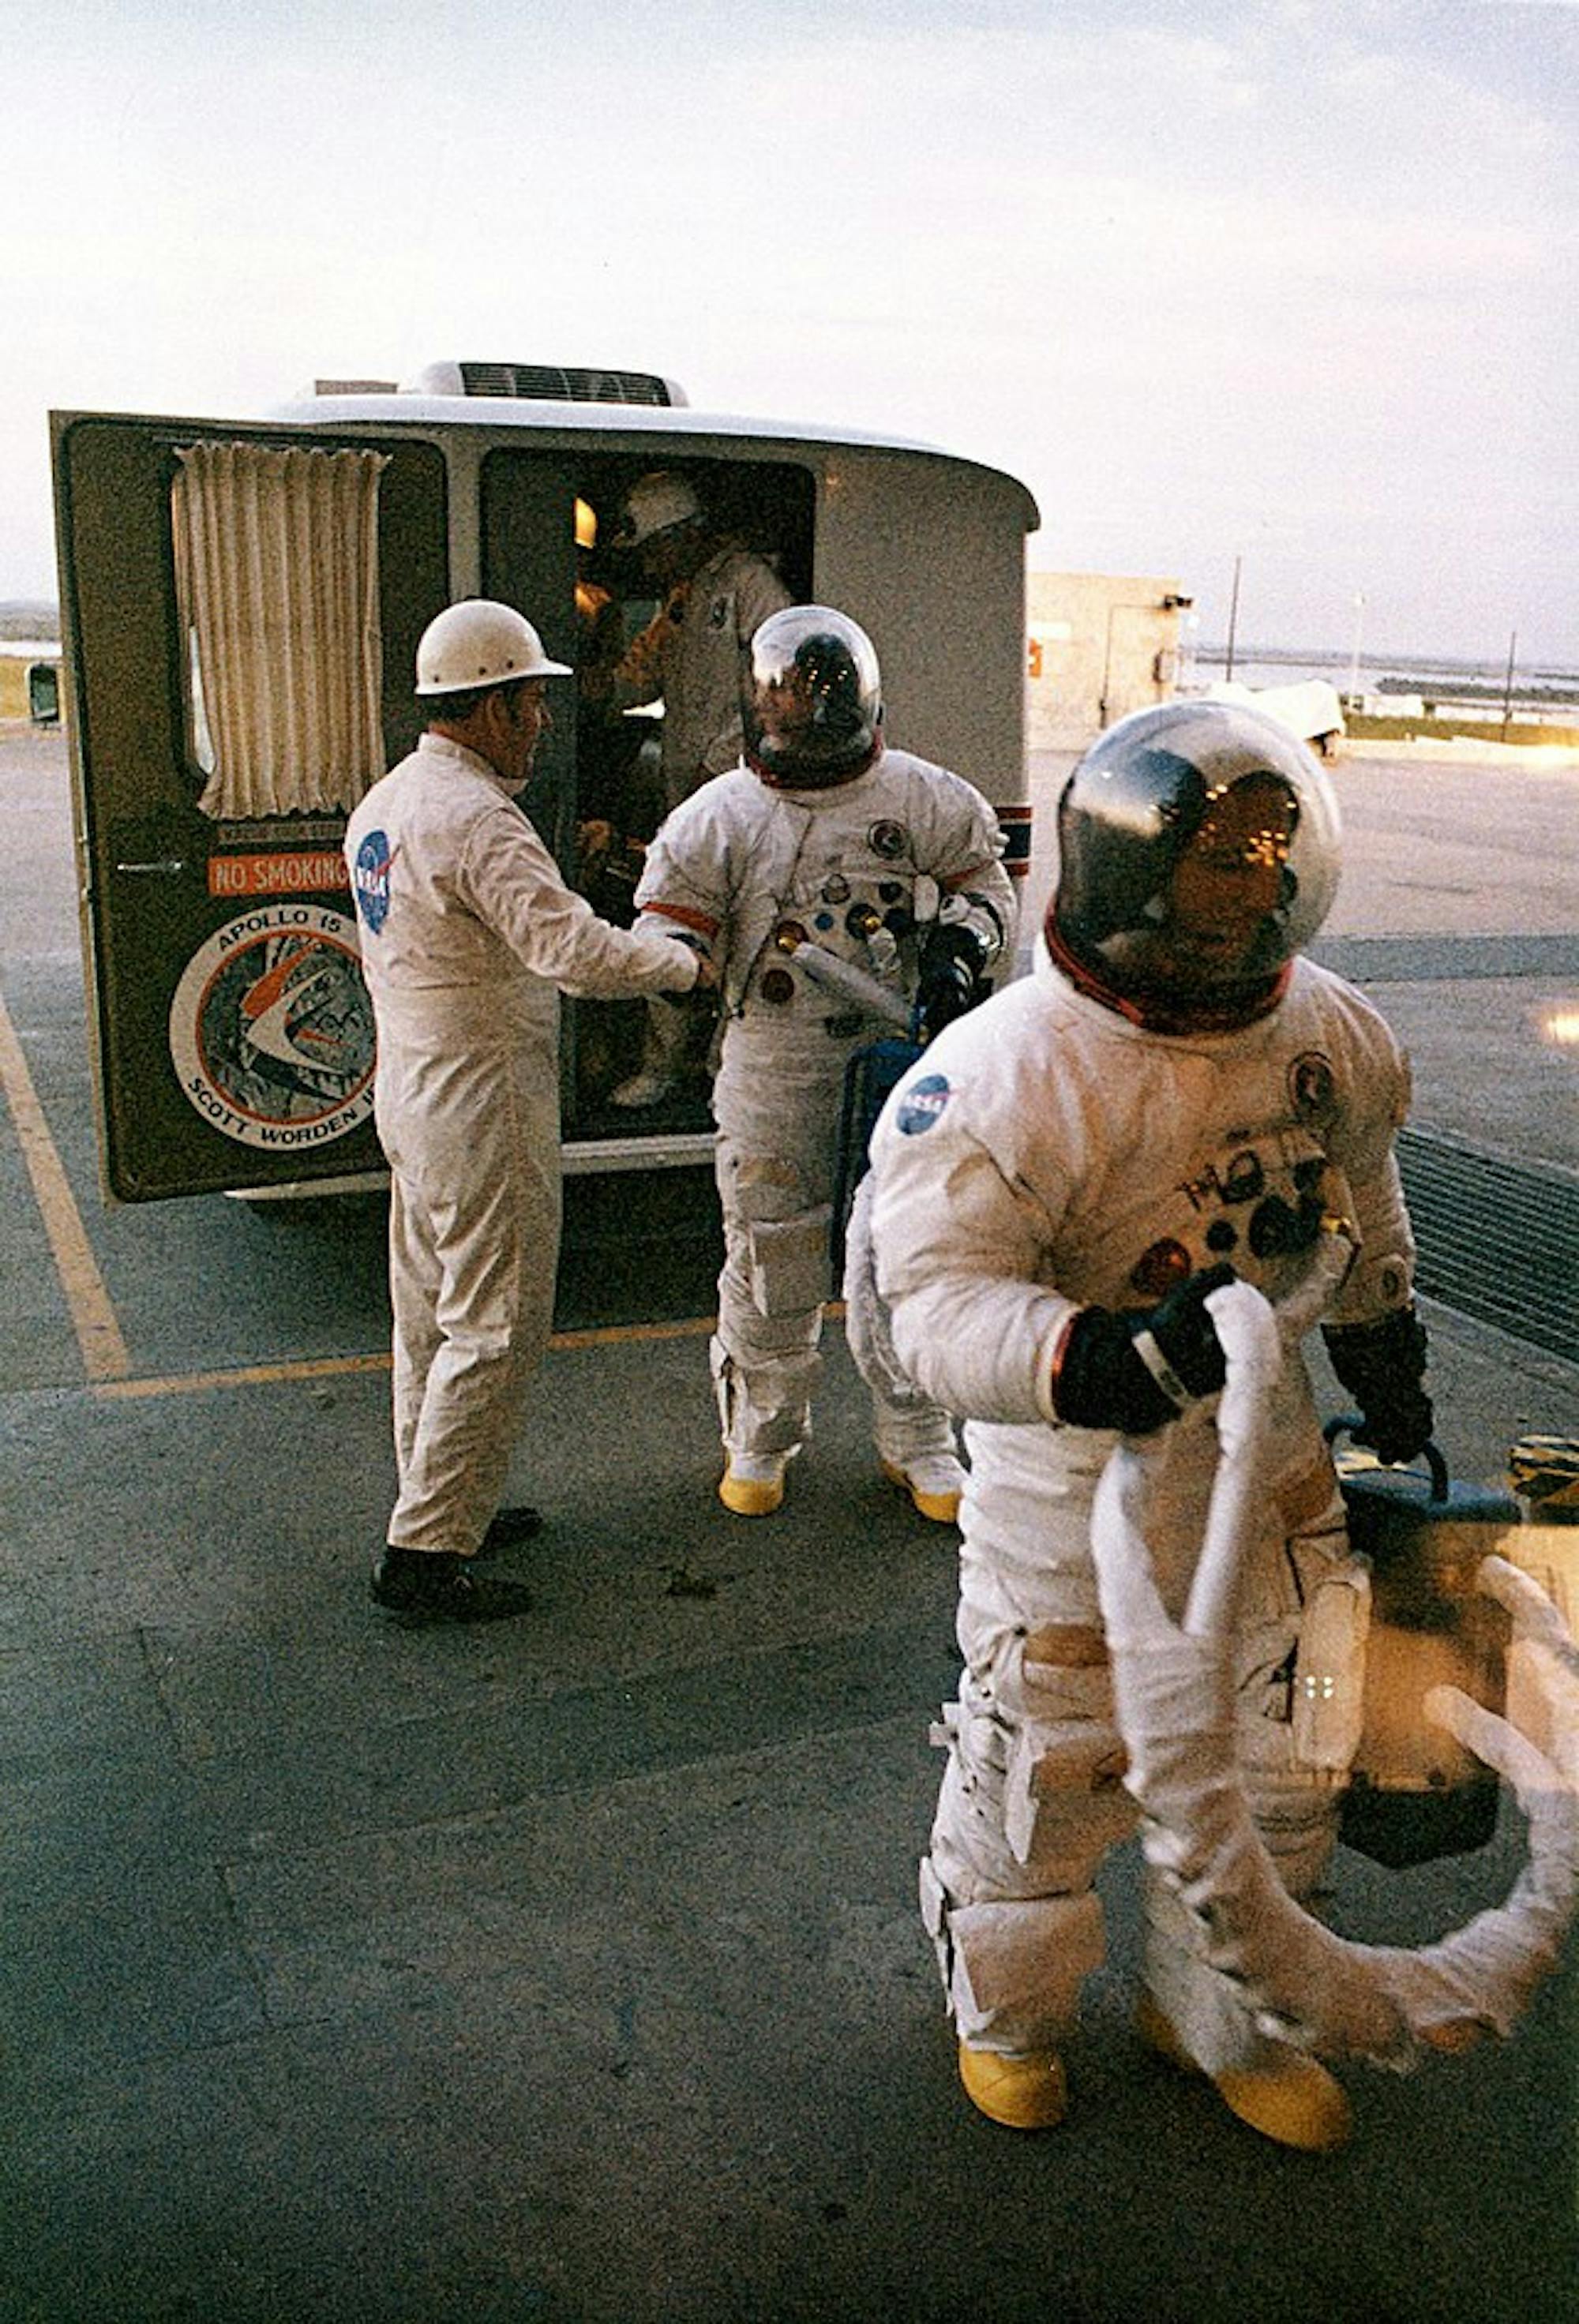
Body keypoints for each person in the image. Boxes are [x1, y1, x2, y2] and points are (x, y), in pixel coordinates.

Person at [865, 699, 1435, 2146]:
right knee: (1049, 1784)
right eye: (1210, 861)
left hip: (1275, 1471)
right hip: (1076, 1498)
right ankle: (1011, 2013)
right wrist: (1085, 1356)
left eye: (1263, 856)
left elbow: (1358, 1191)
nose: (1241, 889)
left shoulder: (1326, 1029)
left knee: (1287, 1768)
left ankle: (1219, 2013)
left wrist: (1382, 1326)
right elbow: (931, 1302)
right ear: (1129, 871)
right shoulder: (1006, 1072)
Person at [344, 599, 710, 1621]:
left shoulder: (387, 804)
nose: (543, 722)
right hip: (481, 1101)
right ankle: (423, 1555)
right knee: (495, 1322)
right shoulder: (477, 819)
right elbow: (574, 952)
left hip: (413, 1094)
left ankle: (441, 1497)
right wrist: (680, 968)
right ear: (492, 705)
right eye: (532, 703)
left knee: (428, 1314)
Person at [628, 605, 1016, 1520]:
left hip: (899, 1064)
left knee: (909, 1256)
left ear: (857, 702)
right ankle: (758, 1440)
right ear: (757, 704)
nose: (798, 719)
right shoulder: (720, 815)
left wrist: (963, 949)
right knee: (773, 1259)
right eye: (783, 701)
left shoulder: (922, 799)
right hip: (775, 1062)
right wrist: (679, 966)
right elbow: (665, 925)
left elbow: (983, 887)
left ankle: (918, 1439)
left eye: (815, 700)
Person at [607, 471, 793, 1108]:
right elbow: (637, 680)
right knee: (668, 921)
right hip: (684, 799)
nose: (651, 563)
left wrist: (728, 761)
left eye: (656, 548)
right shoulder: (681, 602)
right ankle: (663, 1063)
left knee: (743, 930)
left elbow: (781, 680)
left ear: (684, 535)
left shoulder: (749, 586)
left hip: (739, 795)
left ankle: (721, 1067)